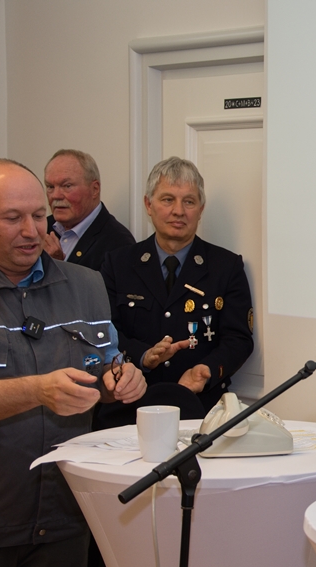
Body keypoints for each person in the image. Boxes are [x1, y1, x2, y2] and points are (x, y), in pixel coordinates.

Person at [0, 159, 147, 567]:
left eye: (39, 216)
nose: (32, 231)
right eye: (12, 218)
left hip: (63, 519)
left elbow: (105, 366)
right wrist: (36, 391)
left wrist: (124, 378)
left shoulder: (88, 285)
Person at [97, 156, 254, 427]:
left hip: (199, 410)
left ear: (201, 208)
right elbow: (103, 331)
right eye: (167, 199)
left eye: (189, 201)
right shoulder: (117, 263)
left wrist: (206, 371)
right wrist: (143, 356)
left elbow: (239, 339)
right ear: (148, 204)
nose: (178, 211)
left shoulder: (226, 266)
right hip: (129, 408)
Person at [43, 149, 136, 271]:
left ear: (95, 189)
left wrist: (56, 267)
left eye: (67, 186)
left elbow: (98, 290)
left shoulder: (119, 245)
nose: (56, 195)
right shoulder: (39, 228)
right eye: (50, 187)